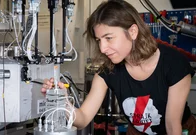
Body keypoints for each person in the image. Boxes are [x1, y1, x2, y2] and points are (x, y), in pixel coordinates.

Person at [41, 0, 196, 134]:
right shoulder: (108, 72)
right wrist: (61, 101)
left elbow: (172, 125)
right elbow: (82, 119)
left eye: (109, 38)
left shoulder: (174, 64)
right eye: (99, 40)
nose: (102, 48)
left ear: (133, 31)